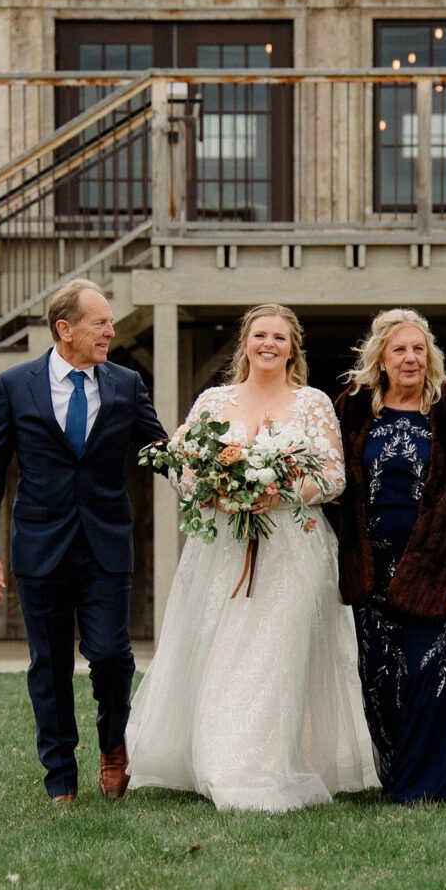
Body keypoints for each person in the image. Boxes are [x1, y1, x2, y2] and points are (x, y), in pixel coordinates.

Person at [126, 304, 378, 812]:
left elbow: (334, 478)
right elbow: (178, 463)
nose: (269, 344)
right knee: (224, 650)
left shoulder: (311, 404)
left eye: (279, 337)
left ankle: (266, 763)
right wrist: (215, 491)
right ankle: (222, 763)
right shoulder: (214, 401)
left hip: (292, 548)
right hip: (222, 547)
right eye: (260, 335)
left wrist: (281, 490)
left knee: (278, 653)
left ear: (292, 348)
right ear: (245, 343)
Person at [0, 278, 167, 804]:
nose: (111, 330)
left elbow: (160, 451)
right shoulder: (13, 386)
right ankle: (60, 778)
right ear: (66, 329)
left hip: (106, 544)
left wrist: (223, 479)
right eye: (100, 322)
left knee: (111, 656)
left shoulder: (126, 384)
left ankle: (112, 747)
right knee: (49, 664)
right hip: (39, 547)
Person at [335, 308, 446, 804]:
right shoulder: (351, 408)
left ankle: (424, 788)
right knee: (380, 683)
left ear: (429, 355)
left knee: (431, 673)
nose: (411, 358)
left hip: (437, 565)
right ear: (381, 359)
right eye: (399, 350)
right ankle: (403, 775)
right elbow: (330, 483)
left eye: (418, 349)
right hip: (370, 569)